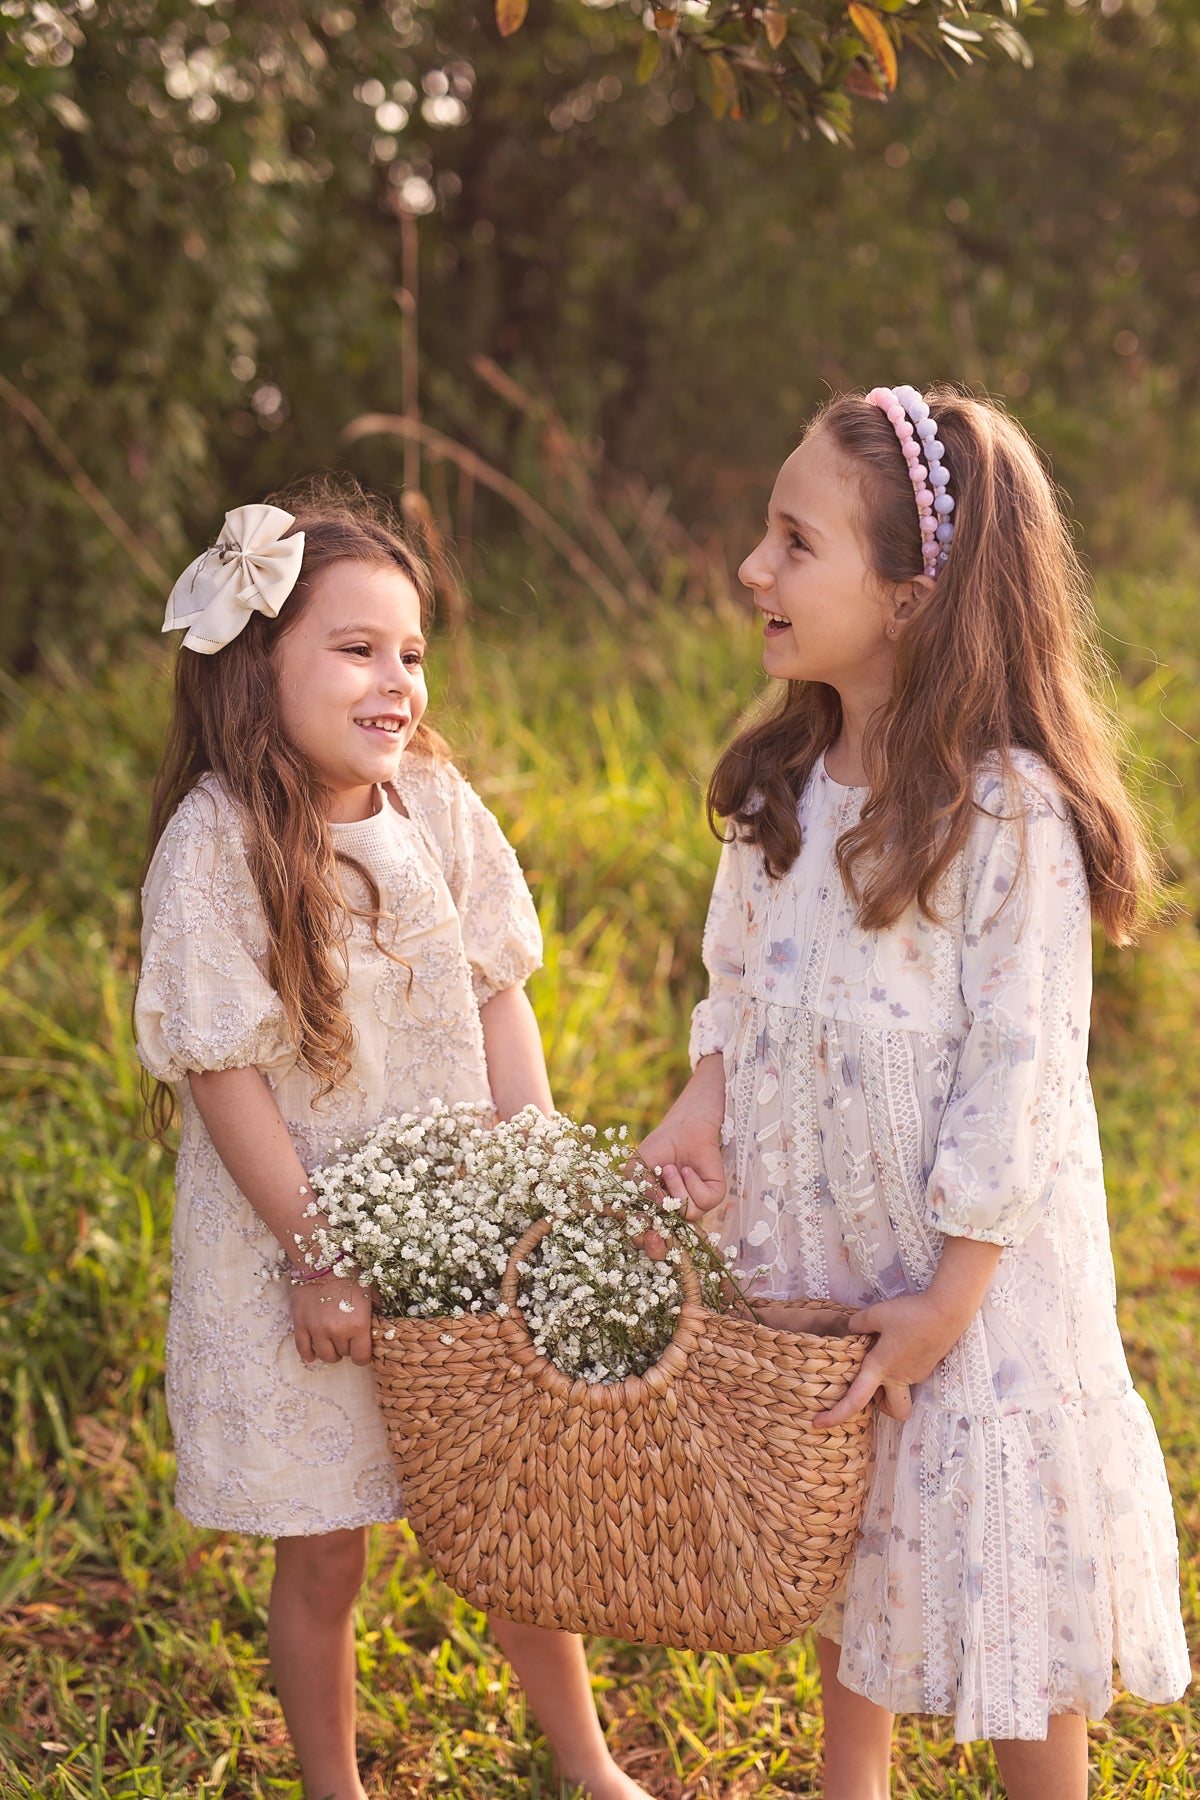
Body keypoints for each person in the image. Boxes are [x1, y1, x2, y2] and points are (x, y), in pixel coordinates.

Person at [639, 386, 1191, 1800]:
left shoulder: (1004, 816)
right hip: (832, 1244)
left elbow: (1025, 1073)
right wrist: (706, 1094)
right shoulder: (783, 781)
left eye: (793, 541)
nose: (755, 570)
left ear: (910, 596)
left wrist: (950, 1298)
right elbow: (742, 981)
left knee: (1000, 1564)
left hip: (977, 1285)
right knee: (855, 1542)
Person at [135, 481, 650, 1800]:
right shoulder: (219, 840)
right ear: (262, 664)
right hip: (297, 1250)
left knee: (503, 1513)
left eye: (412, 652)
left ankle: (590, 1767)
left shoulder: (431, 807)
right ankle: (334, 1787)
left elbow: (495, 992)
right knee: (327, 1552)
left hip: (459, 1233)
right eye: (356, 648)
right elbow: (225, 1076)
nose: (397, 680)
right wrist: (318, 1254)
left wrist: (541, 1171)